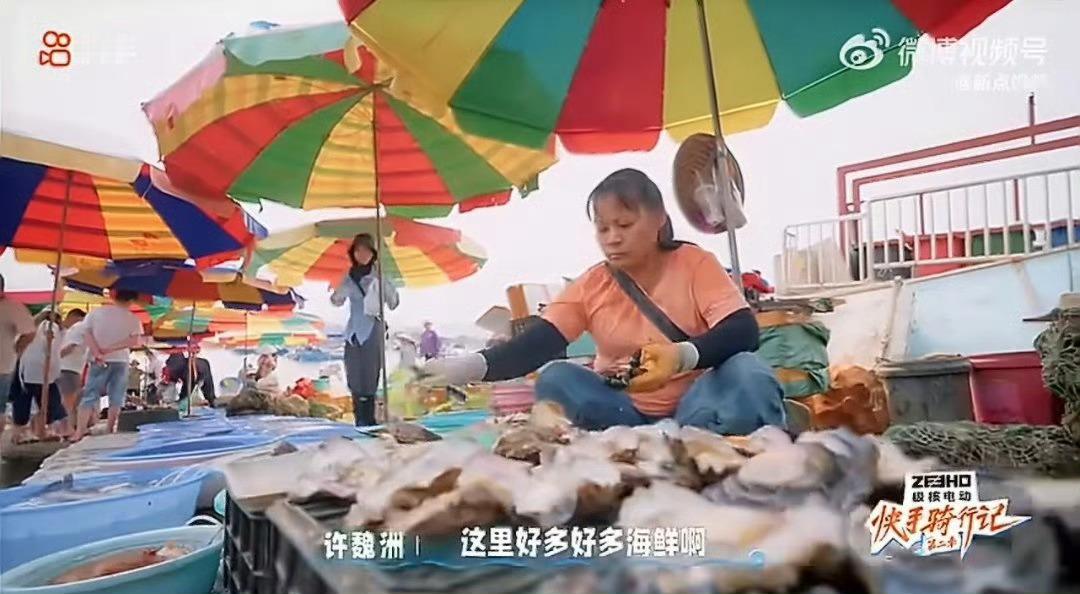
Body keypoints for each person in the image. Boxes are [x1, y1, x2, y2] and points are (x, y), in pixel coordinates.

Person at [421, 169, 789, 435]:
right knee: (557, 378)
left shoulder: (695, 264)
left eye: (624, 225)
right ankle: (636, 448)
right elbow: (539, 343)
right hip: (621, 413)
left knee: (747, 371)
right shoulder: (593, 284)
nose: (612, 238)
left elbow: (742, 330)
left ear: (659, 219)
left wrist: (681, 356)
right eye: (603, 228)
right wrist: (467, 367)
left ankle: (706, 445)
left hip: (697, 409)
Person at [331, 233, 400, 427]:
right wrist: (339, 290)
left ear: (373, 253)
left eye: (367, 250)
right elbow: (336, 302)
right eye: (358, 250)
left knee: (370, 379)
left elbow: (394, 303)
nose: (363, 254)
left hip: (372, 329)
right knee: (353, 377)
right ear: (353, 253)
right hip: (353, 332)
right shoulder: (348, 277)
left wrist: (382, 282)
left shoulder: (379, 276)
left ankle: (369, 421)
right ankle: (358, 420)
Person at [74, 289, 144, 440]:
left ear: (113, 296)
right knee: (116, 396)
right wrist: (111, 348)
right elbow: (134, 341)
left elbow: (86, 334)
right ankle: (110, 428)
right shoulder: (133, 319)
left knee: (90, 395)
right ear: (132, 301)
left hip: (98, 360)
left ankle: (79, 432)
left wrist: (98, 352)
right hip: (121, 360)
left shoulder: (96, 313)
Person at [12, 310, 69, 442]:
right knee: (48, 401)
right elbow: (53, 351)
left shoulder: (30, 327)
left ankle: (21, 432)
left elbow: (18, 345)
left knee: (25, 401)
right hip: (43, 371)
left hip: (27, 369)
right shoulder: (50, 327)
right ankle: (44, 430)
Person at [0, 273, 37, 438]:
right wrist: (17, 349)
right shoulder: (13, 307)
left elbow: (29, 333)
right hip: (4, 363)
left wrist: (17, 349)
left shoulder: (12, 307)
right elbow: (29, 333)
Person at [58, 308, 88, 421]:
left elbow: (71, 346)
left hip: (69, 368)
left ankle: (67, 426)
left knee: (68, 401)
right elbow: (71, 347)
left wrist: (55, 358)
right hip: (70, 369)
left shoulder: (74, 329)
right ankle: (67, 426)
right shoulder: (77, 328)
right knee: (69, 401)